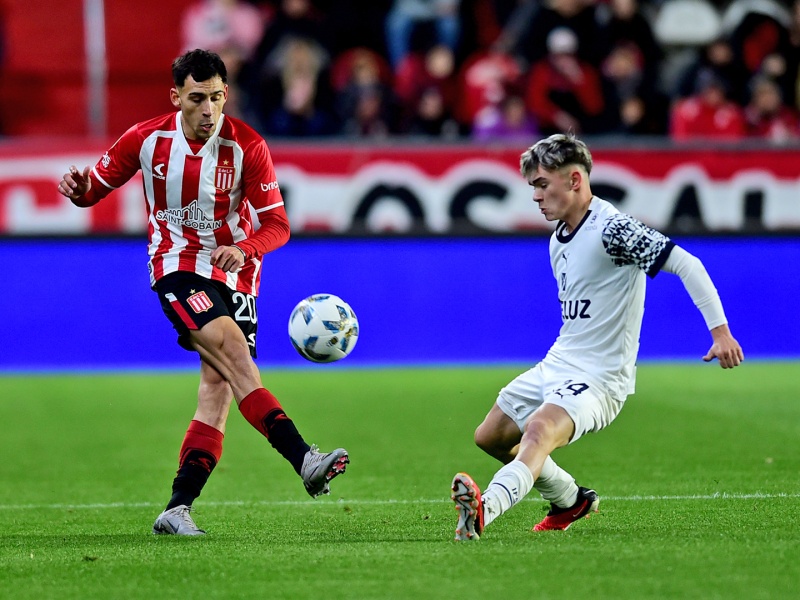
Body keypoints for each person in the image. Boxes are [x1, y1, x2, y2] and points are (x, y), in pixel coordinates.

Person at [57, 49, 349, 536]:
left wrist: (246, 247)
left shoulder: (247, 146)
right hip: (176, 266)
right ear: (176, 97)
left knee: (217, 390)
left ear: (226, 94)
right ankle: (304, 459)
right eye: (197, 99)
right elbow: (93, 190)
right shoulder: (146, 139)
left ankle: (177, 509)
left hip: (236, 274)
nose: (208, 109)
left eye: (216, 97)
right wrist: (79, 187)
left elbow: (278, 225)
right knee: (234, 353)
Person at [450, 133, 744, 541]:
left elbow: (687, 264)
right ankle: (570, 500)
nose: (535, 196)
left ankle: (486, 509)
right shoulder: (558, 238)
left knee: (538, 430)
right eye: (533, 186)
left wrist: (720, 332)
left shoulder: (613, 229)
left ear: (574, 180)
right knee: (491, 436)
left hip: (600, 378)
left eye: (542, 184)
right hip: (559, 362)